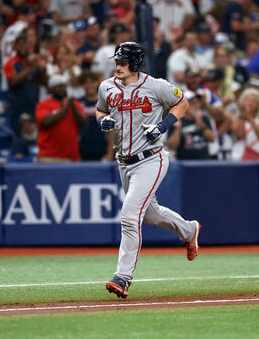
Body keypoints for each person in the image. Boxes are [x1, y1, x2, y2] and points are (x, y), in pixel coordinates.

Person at [96, 42, 201, 299]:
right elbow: (100, 109)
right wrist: (102, 120)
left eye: (122, 62)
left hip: (151, 159)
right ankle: (188, 230)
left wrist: (164, 125)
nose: (117, 65)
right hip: (124, 161)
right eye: (117, 61)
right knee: (150, 214)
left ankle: (123, 277)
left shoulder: (156, 85)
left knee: (130, 216)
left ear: (135, 63)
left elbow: (182, 103)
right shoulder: (106, 86)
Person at [35, 74, 88, 163]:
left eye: (64, 86)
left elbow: (83, 123)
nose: (62, 89)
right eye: (59, 86)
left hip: (72, 157)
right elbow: (45, 122)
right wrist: (65, 109)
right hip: (49, 157)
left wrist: (73, 107)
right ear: (51, 89)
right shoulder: (43, 104)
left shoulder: (74, 104)